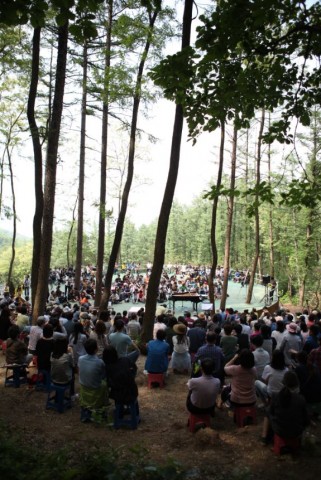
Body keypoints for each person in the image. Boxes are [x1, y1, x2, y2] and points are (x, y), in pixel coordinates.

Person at [261, 371, 309, 445]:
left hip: (279, 430)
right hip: (296, 432)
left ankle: (264, 438)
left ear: (283, 382)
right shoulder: (301, 399)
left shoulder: (276, 396)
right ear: (296, 384)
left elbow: (271, 412)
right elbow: (306, 420)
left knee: (267, 411)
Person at [78, 338, 108, 423]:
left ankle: (86, 409)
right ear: (96, 349)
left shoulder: (80, 359)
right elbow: (103, 375)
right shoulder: (100, 362)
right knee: (105, 383)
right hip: (96, 388)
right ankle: (102, 408)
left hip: (83, 386)